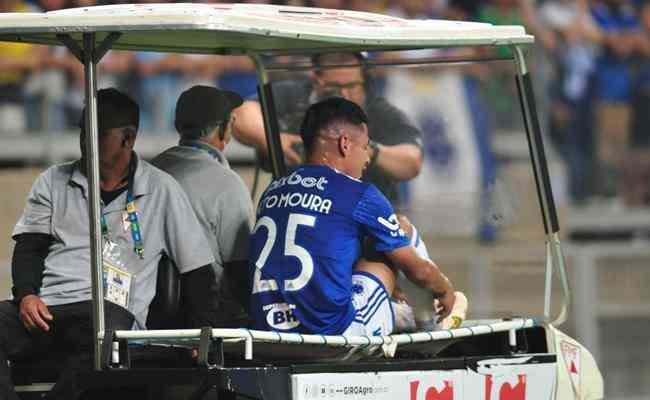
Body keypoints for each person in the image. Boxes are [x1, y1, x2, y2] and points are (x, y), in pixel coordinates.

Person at [0, 88, 218, 400]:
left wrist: (201, 336)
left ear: (128, 139)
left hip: (109, 314)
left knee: (104, 329)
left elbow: (198, 273)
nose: (85, 141)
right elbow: (29, 249)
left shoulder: (162, 190)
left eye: (97, 134)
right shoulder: (52, 181)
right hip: (48, 310)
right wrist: (27, 295)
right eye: (82, 131)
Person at [249, 97, 455, 336]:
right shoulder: (360, 193)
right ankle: (431, 324)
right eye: (365, 146)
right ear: (345, 144)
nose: (367, 158)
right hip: (330, 334)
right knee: (401, 228)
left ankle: (397, 312)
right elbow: (418, 272)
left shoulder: (273, 189)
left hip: (270, 330)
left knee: (360, 243)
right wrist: (444, 288)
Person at [233, 52, 423, 206]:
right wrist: (276, 141)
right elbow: (242, 116)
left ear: (365, 80)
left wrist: (366, 150)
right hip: (301, 207)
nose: (344, 94)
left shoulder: (381, 112)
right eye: (335, 87)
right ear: (316, 79)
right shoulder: (295, 96)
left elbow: (412, 161)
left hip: (364, 215)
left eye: (352, 86)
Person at [152, 85, 254, 326]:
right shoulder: (227, 184)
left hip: (149, 313)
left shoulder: (149, 171)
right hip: (209, 320)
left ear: (178, 126)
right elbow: (240, 270)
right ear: (223, 129)